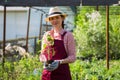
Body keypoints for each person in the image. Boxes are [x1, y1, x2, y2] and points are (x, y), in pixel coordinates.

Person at [39, 7, 76, 80]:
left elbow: (73, 57)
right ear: (49, 20)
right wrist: (45, 61)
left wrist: (59, 62)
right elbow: (42, 54)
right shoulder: (47, 35)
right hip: (47, 74)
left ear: (62, 19)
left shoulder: (68, 35)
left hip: (62, 74)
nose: (54, 20)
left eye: (57, 17)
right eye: (52, 18)